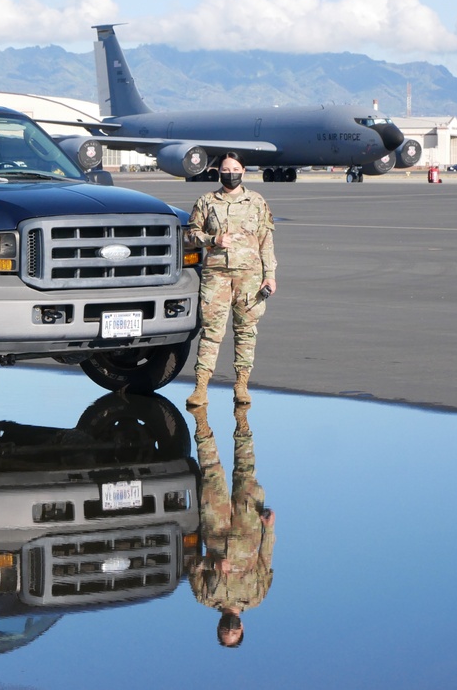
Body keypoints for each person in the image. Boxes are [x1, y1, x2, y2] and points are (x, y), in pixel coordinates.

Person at [185, 152, 276, 406]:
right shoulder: (206, 201)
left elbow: (266, 241)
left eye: (235, 169)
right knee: (211, 332)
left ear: (244, 171)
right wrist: (212, 240)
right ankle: (201, 388)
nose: (231, 173)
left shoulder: (256, 202)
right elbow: (191, 235)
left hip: (250, 277)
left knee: (246, 331)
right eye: (226, 169)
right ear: (218, 172)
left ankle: (241, 385)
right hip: (217, 276)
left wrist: (270, 275)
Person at [186, 403, 275, 648]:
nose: (229, 628)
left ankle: (200, 419)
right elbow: (265, 560)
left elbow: (192, 565)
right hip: (249, 525)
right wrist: (269, 527)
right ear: (242, 628)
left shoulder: (205, 597)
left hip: (216, 524)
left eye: (225, 631)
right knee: (245, 471)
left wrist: (211, 564)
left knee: (211, 472)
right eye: (234, 632)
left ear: (218, 627)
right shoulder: (256, 597)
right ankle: (242, 416)